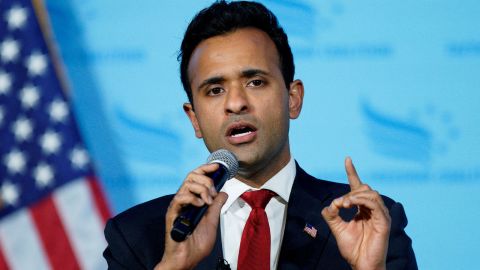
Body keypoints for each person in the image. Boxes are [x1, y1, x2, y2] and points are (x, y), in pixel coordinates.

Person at [103, 1, 417, 269]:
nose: (236, 103)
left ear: (293, 98)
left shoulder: (368, 222)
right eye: (215, 90)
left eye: (255, 82)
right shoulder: (138, 236)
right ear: (194, 119)